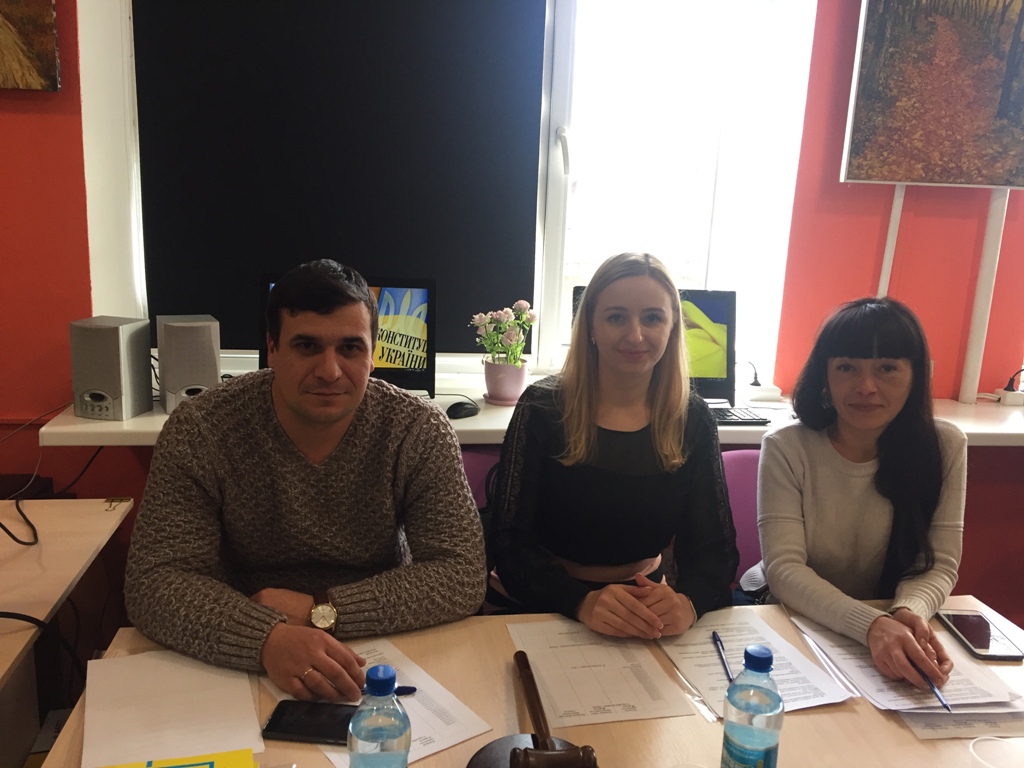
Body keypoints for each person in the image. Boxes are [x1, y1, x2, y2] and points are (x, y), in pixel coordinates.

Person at [125, 260, 486, 703]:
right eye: (307, 346)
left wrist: (324, 611)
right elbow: (154, 581)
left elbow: (461, 573)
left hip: (381, 643)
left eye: (350, 348)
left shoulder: (418, 429)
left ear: (373, 354)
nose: (330, 370)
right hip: (234, 641)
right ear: (272, 348)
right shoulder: (202, 429)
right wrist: (265, 639)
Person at [489, 253, 739, 639]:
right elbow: (509, 544)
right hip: (542, 602)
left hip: (646, 608)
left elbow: (715, 551)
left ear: (673, 326)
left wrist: (689, 603)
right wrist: (580, 601)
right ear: (591, 324)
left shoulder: (693, 418)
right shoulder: (541, 408)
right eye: (617, 317)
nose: (635, 335)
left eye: (652, 318)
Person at [755, 297, 967, 690]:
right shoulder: (787, 447)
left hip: (891, 624)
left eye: (887, 368)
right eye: (847, 367)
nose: (866, 387)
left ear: (915, 375)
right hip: (798, 621)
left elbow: (938, 564)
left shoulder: (945, 447)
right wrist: (871, 625)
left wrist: (908, 612)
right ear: (825, 374)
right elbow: (783, 569)